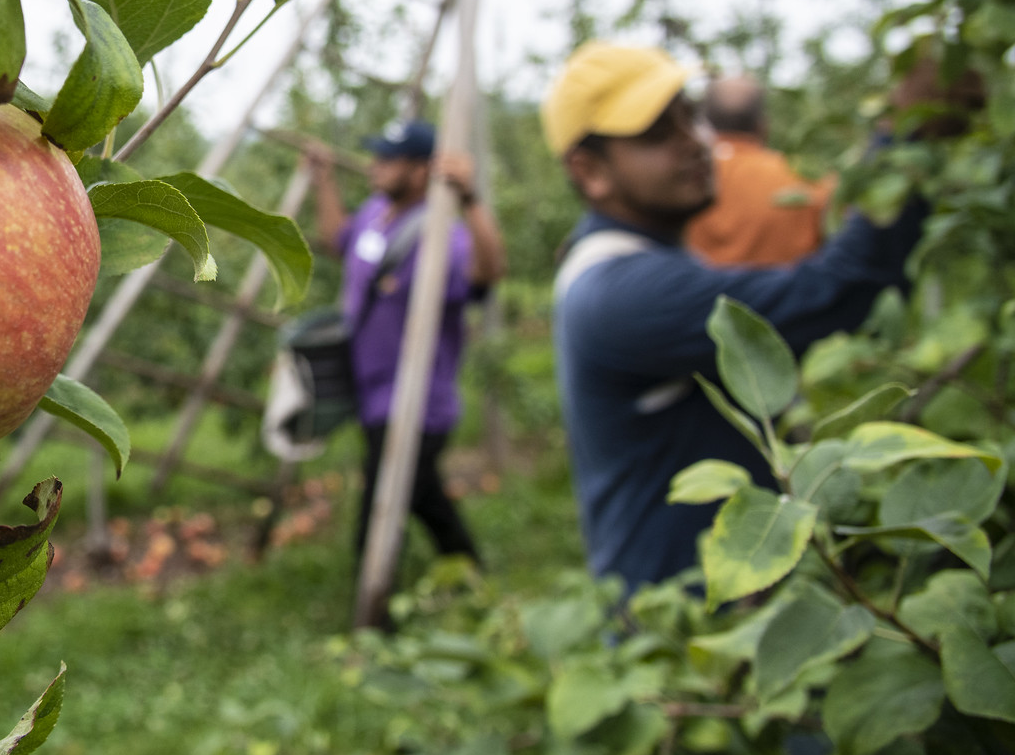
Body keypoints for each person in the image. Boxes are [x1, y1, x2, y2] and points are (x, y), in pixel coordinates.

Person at [542, 42, 934, 590]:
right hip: (687, 634)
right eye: (658, 133)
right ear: (591, 172)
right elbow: (837, 293)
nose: (694, 143)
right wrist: (905, 134)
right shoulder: (624, 293)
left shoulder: (646, 260)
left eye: (690, 117)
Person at [303, 117, 506, 566]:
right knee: (420, 495)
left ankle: (374, 605)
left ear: (420, 171)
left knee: (384, 503)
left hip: (416, 399)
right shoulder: (375, 214)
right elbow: (337, 239)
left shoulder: (441, 237)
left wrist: (471, 200)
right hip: (372, 388)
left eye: (389, 160)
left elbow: (488, 274)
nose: (375, 167)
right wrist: (324, 180)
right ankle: (470, 576)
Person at [684, 75, 835, 266]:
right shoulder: (809, 178)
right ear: (763, 125)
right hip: (785, 293)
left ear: (703, 125)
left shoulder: (681, 180)